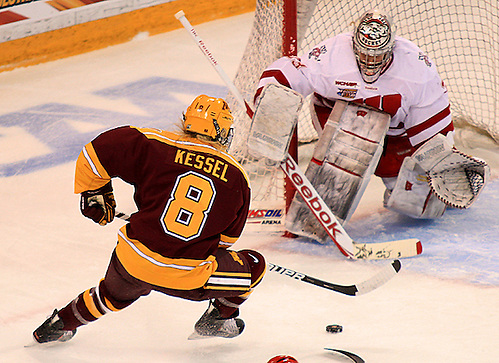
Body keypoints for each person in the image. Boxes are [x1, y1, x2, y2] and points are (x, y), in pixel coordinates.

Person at [33, 95, 266, 344]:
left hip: (133, 260)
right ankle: (218, 320)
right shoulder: (237, 176)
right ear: (224, 133)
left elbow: (96, 153)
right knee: (254, 264)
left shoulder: (154, 144)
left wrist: (94, 193)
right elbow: (225, 241)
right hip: (189, 277)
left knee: (110, 294)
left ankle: (58, 324)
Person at [255, 9, 460, 222]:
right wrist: (268, 102)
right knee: (349, 150)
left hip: (396, 132)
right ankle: (321, 206)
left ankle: (422, 185)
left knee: (417, 205)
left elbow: (434, 132)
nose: (370, 62)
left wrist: (438, 165)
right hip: (336, 116)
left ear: (392, 49)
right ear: (353, 45)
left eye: (377, 55)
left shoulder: (416, 69)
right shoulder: (332, 55)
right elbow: (292, 72)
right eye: (364, 54)